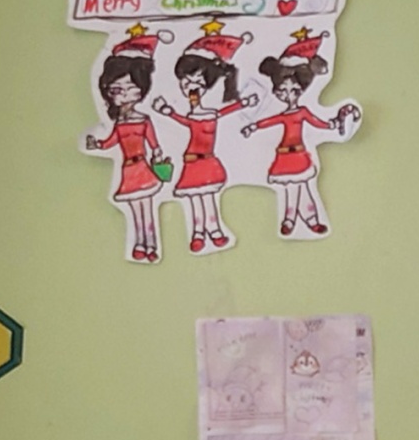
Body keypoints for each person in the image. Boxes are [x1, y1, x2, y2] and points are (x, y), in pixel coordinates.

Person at [243, 27, 362, 238]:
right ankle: (304, 220)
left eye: (294, 90)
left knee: (301, 187)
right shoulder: (286, 114)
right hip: (285, 155)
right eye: (283, 91)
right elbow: (271, 121)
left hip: (299, 154)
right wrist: (254, 126)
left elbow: (317, 122)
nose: (288, 95)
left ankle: (295, 220)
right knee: (296, 187)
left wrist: (333, 125)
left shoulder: (303, 112)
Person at [166, 21, 255, 251]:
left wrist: (244, 103)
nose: (192, 88)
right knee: (195, 199)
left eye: (198, 83)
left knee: (208, 198)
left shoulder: (212, 114)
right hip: (192, 162)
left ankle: (214, 230)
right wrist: (169, 112)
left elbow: (227, 111)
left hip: (207, 161)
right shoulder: (192, 115)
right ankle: (198, 233)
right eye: (186, 82)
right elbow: (185, 122)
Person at [83, 30, 169, 262]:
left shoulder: (143, 120)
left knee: (146, 207)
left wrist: (158, 155)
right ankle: (140, 243)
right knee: (135, 209)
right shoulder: (119, 124)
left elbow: (153, 142)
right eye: (116, 90)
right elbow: (110, 141)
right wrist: (96, 144)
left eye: (131, 88)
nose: (124, 95)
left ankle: (150, 244)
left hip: (142, 168)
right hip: (128, 171)